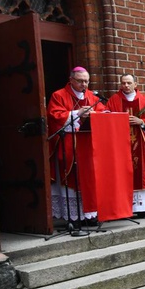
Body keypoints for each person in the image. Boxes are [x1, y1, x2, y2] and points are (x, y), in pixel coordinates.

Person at [47, 66, 107, 224]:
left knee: (90, 179)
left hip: (88, 145)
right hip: (67, 144)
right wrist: (77, 113)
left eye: (86, 81)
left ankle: (91, 214)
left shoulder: (93, 97)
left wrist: (93, 114)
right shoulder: (59, 95)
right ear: (71, 80)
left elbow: (103, 112)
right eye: (80, 81)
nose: (84, 84)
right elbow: (54, 116)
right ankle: (74, 217)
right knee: (72, 178)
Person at [106, 74, 145, 218]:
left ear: (135, 84)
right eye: (123, 83)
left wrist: (141, 121)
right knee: (122, 173)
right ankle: (124, 208)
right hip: (121, 145)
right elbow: (106, 119)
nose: (126, 86)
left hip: (141, 144)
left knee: (141, 171)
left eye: (129, 83)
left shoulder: (144, 100)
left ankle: (144, 208)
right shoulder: (114, 100)